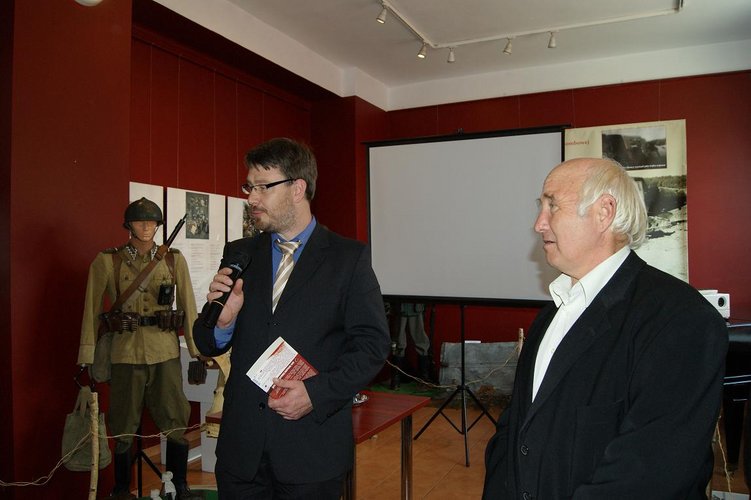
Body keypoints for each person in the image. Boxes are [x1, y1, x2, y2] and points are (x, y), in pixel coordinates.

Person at [482, 158, 728, 499]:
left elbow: (650, 473)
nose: (539, 224)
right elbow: (515, 431)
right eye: (541, 207)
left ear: (604, 212)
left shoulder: (681, 320)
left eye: (553, 205)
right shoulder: (551, 314)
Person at [192, 137, 390, 499]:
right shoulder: (240, 253)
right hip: (242, 451)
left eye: (263, 187)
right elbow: (204, 341)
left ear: (298, 189)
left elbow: (372, 346)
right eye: (249, 187)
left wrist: (316, 393)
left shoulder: (347, 259)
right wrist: (223, 323)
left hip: (311, 451)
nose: (252, 198)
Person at [77, 197, 202, 500]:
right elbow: (91, 311)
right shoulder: (108, 261)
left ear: (158, 225)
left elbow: (189, 307)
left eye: (152, 222)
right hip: (125, 353)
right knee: (123, 424)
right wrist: (86, 357)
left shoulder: (173, 259)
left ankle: (180, 485)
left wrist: (197, 352)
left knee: (175, 417)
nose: (146, 226)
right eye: (140, 221)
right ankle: (122, 489)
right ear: (128, 225)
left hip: (164, 352)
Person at [391, 302, 431, 387]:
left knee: (421, 341)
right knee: (399, 342)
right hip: (401, 306)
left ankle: (424, 378)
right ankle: (396, 378)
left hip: (415, 306)